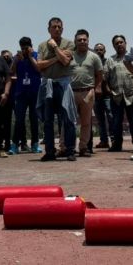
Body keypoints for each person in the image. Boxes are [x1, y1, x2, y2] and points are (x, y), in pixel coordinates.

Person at [31, 17, 78, 162]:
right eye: (54, 27)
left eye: (59, 27)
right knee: (48, 120)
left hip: (63, 84)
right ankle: (50, 151)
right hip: (48, 84)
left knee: (68, 118)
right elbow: (39, 66)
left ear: (62, 29)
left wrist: (56, 48)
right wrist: (56, 58)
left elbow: (65, 61)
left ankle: (70, 150)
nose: (57, 29)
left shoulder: (69, 43)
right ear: (49, 29)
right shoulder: (42, 45)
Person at [70, 29, 103, 157]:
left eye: (84, 39)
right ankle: (65, 147)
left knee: (86, 122)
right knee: (68, 122)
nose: (82, 42)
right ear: (75, 41)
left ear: (88, 41)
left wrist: (94, 89)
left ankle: (83, 147)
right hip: (71, 92)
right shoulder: (70, 55)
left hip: (88, 92)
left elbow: (99, 75)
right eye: (79, 40)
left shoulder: (94, 56)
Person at [106, 35, 133, 152]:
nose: (119, 44)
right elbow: (105, 78)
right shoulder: (110, 60)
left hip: (132, 94)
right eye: (116, 43)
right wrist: (109, 91)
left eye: (121, 42)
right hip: (116, 95)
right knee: (116, 122)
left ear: (125, 43)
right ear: (113, 46)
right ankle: (117, 145)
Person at [11, 37, 42, 154]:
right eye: (22, 48)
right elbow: (11, 72)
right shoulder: (17, 57)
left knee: (34, 119)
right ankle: (14, 145)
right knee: (19, 119)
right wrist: (15, 61)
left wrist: (29, 56)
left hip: (34, 92)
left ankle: (35, 144)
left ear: (30, 46)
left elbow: (39, 68)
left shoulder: (36, 55)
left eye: (26, 48)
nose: (24, 50)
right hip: (21, 93)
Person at [92, 43, 113, 150]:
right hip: (96, 95)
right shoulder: (92, 62)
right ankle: (103, 141)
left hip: (107, 95)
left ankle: (114, 140)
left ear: (104, 51)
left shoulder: (108, 62)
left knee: (110, 117)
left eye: (101, 49)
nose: (99, 51)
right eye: (97, 49)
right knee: (100, 120)